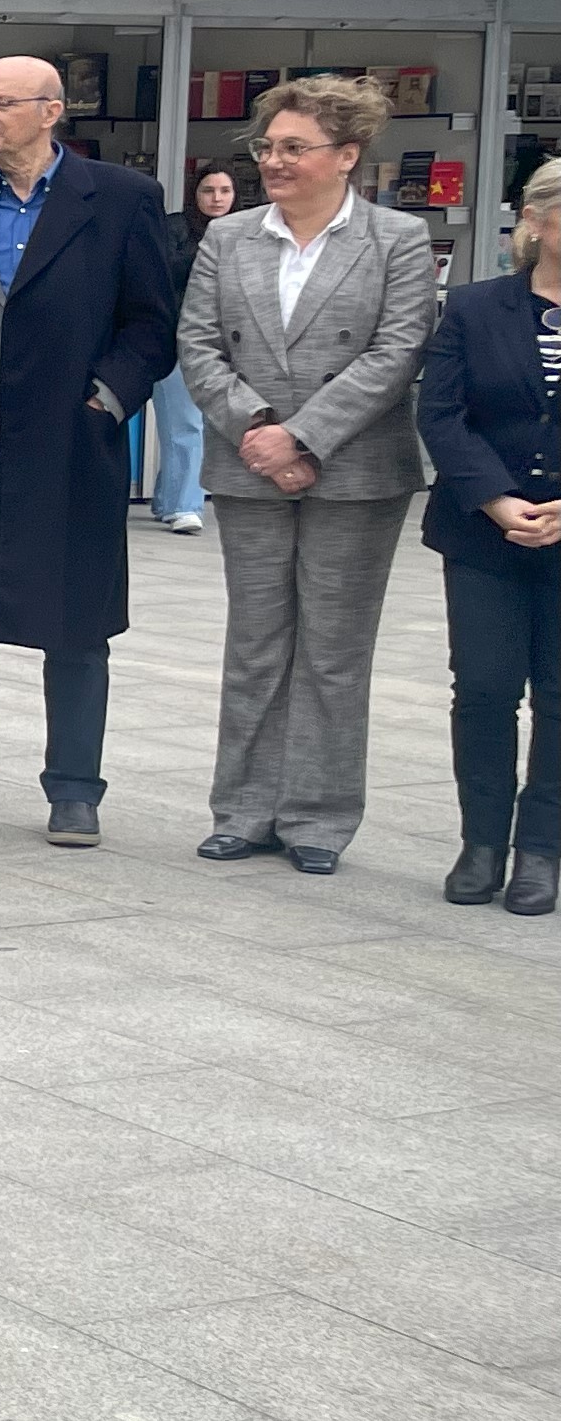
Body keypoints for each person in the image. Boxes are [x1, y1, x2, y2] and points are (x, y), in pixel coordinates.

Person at [0, 54, 182, 845]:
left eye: (1, 103)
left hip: (70, 446)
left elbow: (152, 325)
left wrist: (107, 400)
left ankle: (75, 790)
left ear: (52, 111)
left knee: (76, 624)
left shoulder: (122, 199)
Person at [181, 75, 436, 876]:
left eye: (295, 148)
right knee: (255, 645)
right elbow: (198, 345)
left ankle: (319, 819)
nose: (275, 162)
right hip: (250, 465)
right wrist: (259, 431)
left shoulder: (397, 239)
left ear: (347, 155)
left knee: (333, 651)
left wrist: (303, 438)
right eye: (267, 146)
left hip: (356, 472)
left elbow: (397, 352)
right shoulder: (230, 238)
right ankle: (242, 809)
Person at [421, 158, 561, 914]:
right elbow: (442, 414)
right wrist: (497, 500)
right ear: (536, 220)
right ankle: (481, 842)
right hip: (483, 532)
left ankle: (542, 848)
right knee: (483, 687)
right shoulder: (475, 307)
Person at [148, 164, 243, 530]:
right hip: (177, 339)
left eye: (225, 191)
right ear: (195, 193)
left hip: (225, 343)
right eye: (208, 190)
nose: (217, 198)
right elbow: (162, 274)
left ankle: (169, 498)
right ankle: (186, 506)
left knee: (202, 424)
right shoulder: (174, 228)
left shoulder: (245, 231)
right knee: (184, 423)